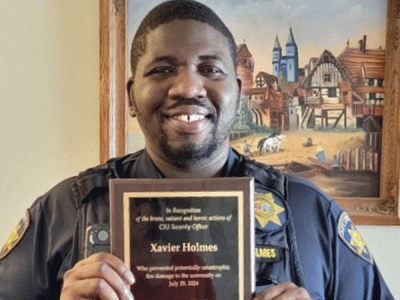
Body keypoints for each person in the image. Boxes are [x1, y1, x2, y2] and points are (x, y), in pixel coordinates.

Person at [0, 0, 394, 299]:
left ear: (238, 95)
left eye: (210, 69)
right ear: (131, 97)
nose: (188, 89)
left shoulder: (309, 213)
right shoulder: (66, 211)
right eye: (162, 70)